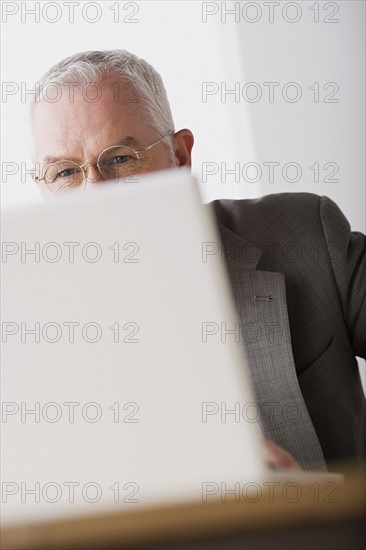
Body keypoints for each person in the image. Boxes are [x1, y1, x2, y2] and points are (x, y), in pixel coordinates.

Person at [29, 50, 366, 472]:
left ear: (180, 157)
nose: (95, 195)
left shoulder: (308, 235)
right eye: (64, 173)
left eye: (120, 159)